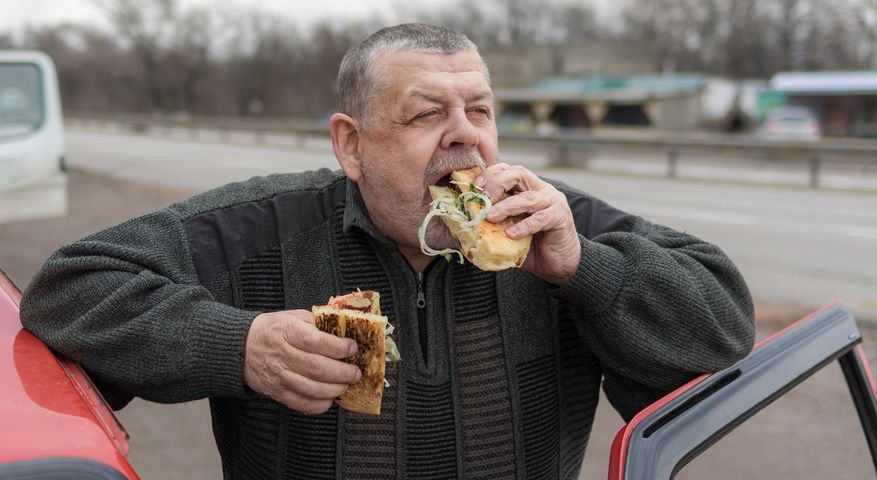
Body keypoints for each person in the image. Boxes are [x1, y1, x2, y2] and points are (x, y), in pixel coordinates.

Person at [20, 23, 755, 479]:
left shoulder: (552, 227)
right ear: (351, 144)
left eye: (480, 111)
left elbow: (720, 330)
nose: (464, 134)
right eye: (427, 114)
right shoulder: (260, 225)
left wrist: (583, 270)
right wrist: (237, 344)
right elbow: (72, 285)